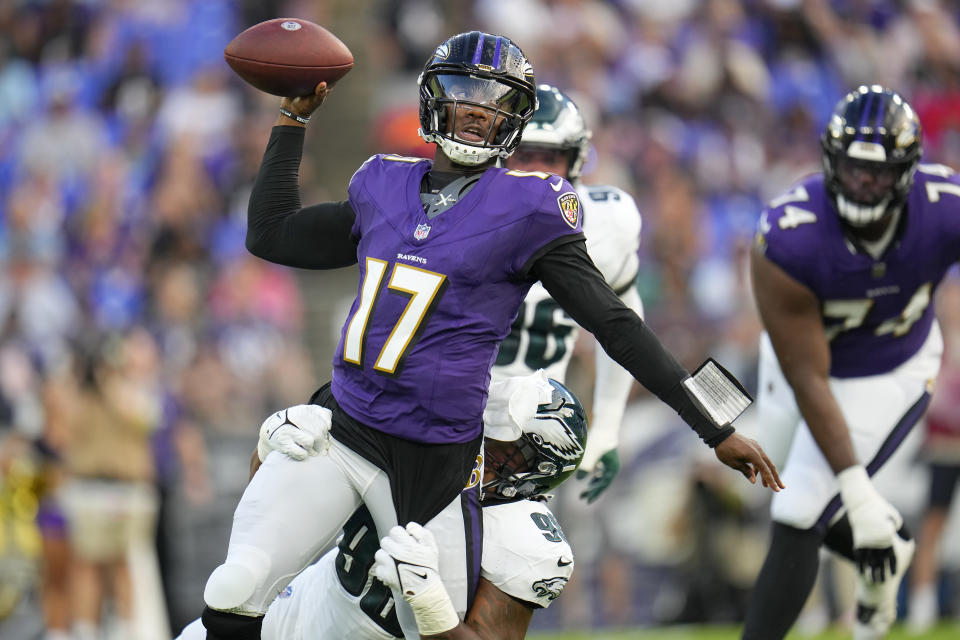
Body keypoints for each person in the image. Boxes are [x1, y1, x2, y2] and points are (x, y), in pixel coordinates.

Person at [200, 30, 781, 640]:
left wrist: (714, 426)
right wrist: (291, 120)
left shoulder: (529, 208)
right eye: (463, 93)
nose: (477, 110)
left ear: (515, 120)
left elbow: (613, 324)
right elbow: (271, 235)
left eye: (494, 100)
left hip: (437, 459)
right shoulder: (381, 184)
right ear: (430, 100)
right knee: (235, 588)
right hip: (347, 427)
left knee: (432, 623)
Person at [745, 84, 960, 639]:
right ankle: (886, 548)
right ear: (830, 162)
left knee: (797, 510)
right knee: (782, 492)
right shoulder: (790, 237)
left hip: (888, 368)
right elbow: (807, 376)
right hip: (802, 366)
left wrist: (853, 485)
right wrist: (858, 489)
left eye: (880, 171)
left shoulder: (944, 209)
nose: (865, 182)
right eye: (854, 167)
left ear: (908, 171)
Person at [178, 372, 584, 640]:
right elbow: (272, 519)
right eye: (484, 428)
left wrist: (429, 602)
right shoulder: (417, 445)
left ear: (538, 469)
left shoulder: (528, 540)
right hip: (305, 600)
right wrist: (272, 448)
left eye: (504, 450)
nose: (481, 446)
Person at [496, 83, 643, 503]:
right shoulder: (463, 216)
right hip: (450, 423)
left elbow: (625, 324)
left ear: (575, 162)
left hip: (537, 435)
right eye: (525, 157)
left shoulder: (605, 223)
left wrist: (607, 427)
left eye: (551, 158)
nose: (539, 173)